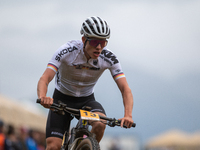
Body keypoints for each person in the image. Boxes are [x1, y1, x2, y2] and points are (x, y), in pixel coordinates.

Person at [37, 16, 134, 150]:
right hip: (61, 99)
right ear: (84, 40)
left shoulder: (109, 58)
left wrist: (128, 115)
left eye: (103, 42)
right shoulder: (67, 51)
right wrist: (43, 97)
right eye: (94, 42)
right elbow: (45, 78)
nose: (99, 47)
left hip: (86, 101)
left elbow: (125, 89)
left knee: (100, 123)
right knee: (54, 146)